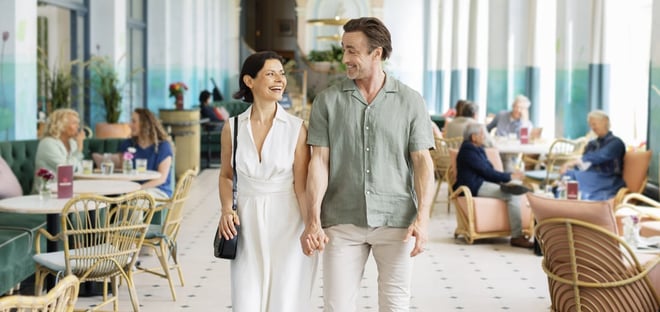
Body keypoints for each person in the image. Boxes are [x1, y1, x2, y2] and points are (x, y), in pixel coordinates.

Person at [303, 17, 435, 311]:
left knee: (395, 304)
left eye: (352, 51)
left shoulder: (410, 101)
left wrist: (423, 220)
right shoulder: (327, 102)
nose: (345, 58)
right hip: (342, 219)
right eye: (343, 49)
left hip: (397, 220)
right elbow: (319, 163)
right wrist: (313, 219)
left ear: (377, 53)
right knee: (336, 306)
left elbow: (423, 163)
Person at [217, 51, 317, 311]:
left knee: (284, 297)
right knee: (246, 298)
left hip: (288, 219)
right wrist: (227, 209)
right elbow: (227, 176)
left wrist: (311, 226)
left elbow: (301, 186)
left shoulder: (296, 128)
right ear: (249, 81)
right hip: (246, 220)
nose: (280, 80)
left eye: (281, 74)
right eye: (271, 73)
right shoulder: (232, 127)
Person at [454, 122, 533, 248]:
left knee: (517, 186)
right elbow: (487, 172)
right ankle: (517, 236)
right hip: (474, 186)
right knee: (513, 195)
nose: (484, 137)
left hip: (482, 183)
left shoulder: (477, 148)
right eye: (482, 134)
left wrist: (508, 178)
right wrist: (509, 176)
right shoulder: (468, 151)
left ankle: (527, 228)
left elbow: (489, 170)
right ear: (474, 137)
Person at [559, 110, 625, 200]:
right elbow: (584, 164)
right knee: (568, 175)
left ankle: (575, 201)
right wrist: (572, 168)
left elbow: (600, 156)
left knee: (572, 178)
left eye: (594, 124)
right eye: (590, 125)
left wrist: (572, 163)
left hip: (608, 178)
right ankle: (567, 203)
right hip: (591, 175)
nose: (592, 127)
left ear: (605, 122)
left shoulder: (616, 143)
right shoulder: (592, 144)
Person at [118, 108, 174, 198]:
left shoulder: (163, 146)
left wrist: (138, 189)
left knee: (138, 200)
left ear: (145, 124)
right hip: (133, 190)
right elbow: (124, 172)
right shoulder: (127, 144)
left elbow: (161, 178)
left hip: (158, 189)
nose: (129, 125)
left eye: (134, 121)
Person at [33, 108, 85, 193]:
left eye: (77, 123)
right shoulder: (48, 143)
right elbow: (66, 170)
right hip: (47, 194)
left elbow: (78, 169)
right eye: (74, 123)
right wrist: (79, 150)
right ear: (61, 125)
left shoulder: (72, 143)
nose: (78, 127)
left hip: (68, 191)